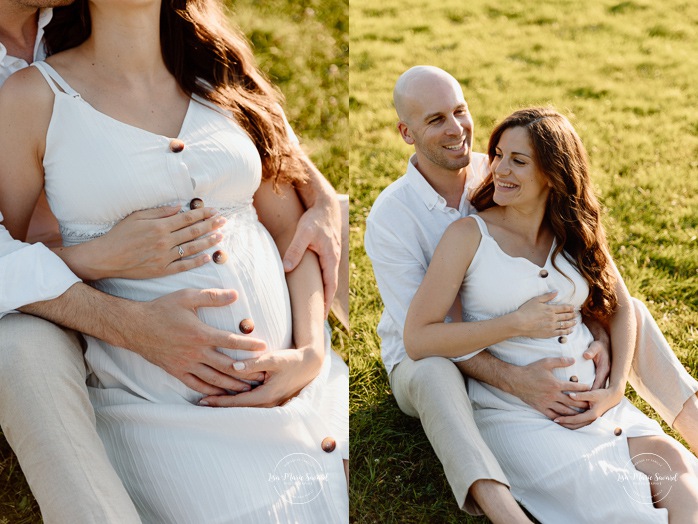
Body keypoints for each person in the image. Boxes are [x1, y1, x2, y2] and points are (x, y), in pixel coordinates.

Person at [0, 1, 346, 522]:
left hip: (296, 382)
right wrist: (94, 263)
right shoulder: (32, 96)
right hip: (162, 399)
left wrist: (312, 353)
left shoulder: (213, 70)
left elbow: (287, 211)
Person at [364, 66, 698, 522]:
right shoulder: (395, 217)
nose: (456, 129)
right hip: (434, 359)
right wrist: (516, 369)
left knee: (678, 474)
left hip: (579, 392)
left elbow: (609, 295)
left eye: (460, 112)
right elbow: (421, 336)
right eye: (435, 119)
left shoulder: (496, 170)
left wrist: (602, 346)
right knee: (436, 374)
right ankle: (502, 508)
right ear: (407, 132)